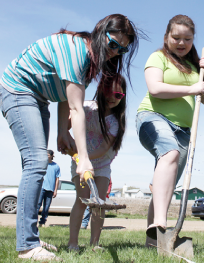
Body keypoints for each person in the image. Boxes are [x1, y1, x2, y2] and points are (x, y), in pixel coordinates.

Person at [0, 14, 141, 260]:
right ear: (100, 32)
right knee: (36, 162)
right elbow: (77, 109)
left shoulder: (89, 64)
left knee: (36, 164)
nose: (116, 52)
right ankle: (26, 245)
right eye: (113, 44)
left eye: (123, 49)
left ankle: (29, 236)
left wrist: (62, 132)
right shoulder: (78, 52)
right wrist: (83, 158)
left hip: (39, 98)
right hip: (18, 90)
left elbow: (66, 97)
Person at [136, 14, 204, 241]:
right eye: (176, 37)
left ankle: (154, 242)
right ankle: (161, 223)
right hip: (153, 117)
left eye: (187, 39)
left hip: (184, 130)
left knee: (167, 183)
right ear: (166, 37)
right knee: (169, 153)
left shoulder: (194, 66)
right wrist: (192, 89)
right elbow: (155, 88)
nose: (181, 43)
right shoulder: (158, 57)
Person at [68, 76, 127, 251]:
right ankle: (73, 243)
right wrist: (69, 144)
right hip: (80, 163)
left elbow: (103, 149)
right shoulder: (86, 108)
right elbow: (67, 124)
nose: (112, 97)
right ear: (100, 89)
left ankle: (95, 243)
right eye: (108, 91)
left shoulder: (115, 122)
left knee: (99, 204)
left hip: (101, 164)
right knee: (81, 200)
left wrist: (87, 157)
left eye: (117, 94)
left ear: (122, 97)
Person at [37, 150, 61, 227]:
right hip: (41, 188)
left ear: (51, 156)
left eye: (47, 155)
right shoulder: (42, 164)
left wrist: (55, 190)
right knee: (37, 205)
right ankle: (33, 221)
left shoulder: (56, 166)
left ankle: (42, 222)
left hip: (50, 189)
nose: (46, 156)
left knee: (46, 207)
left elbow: (57, 179)